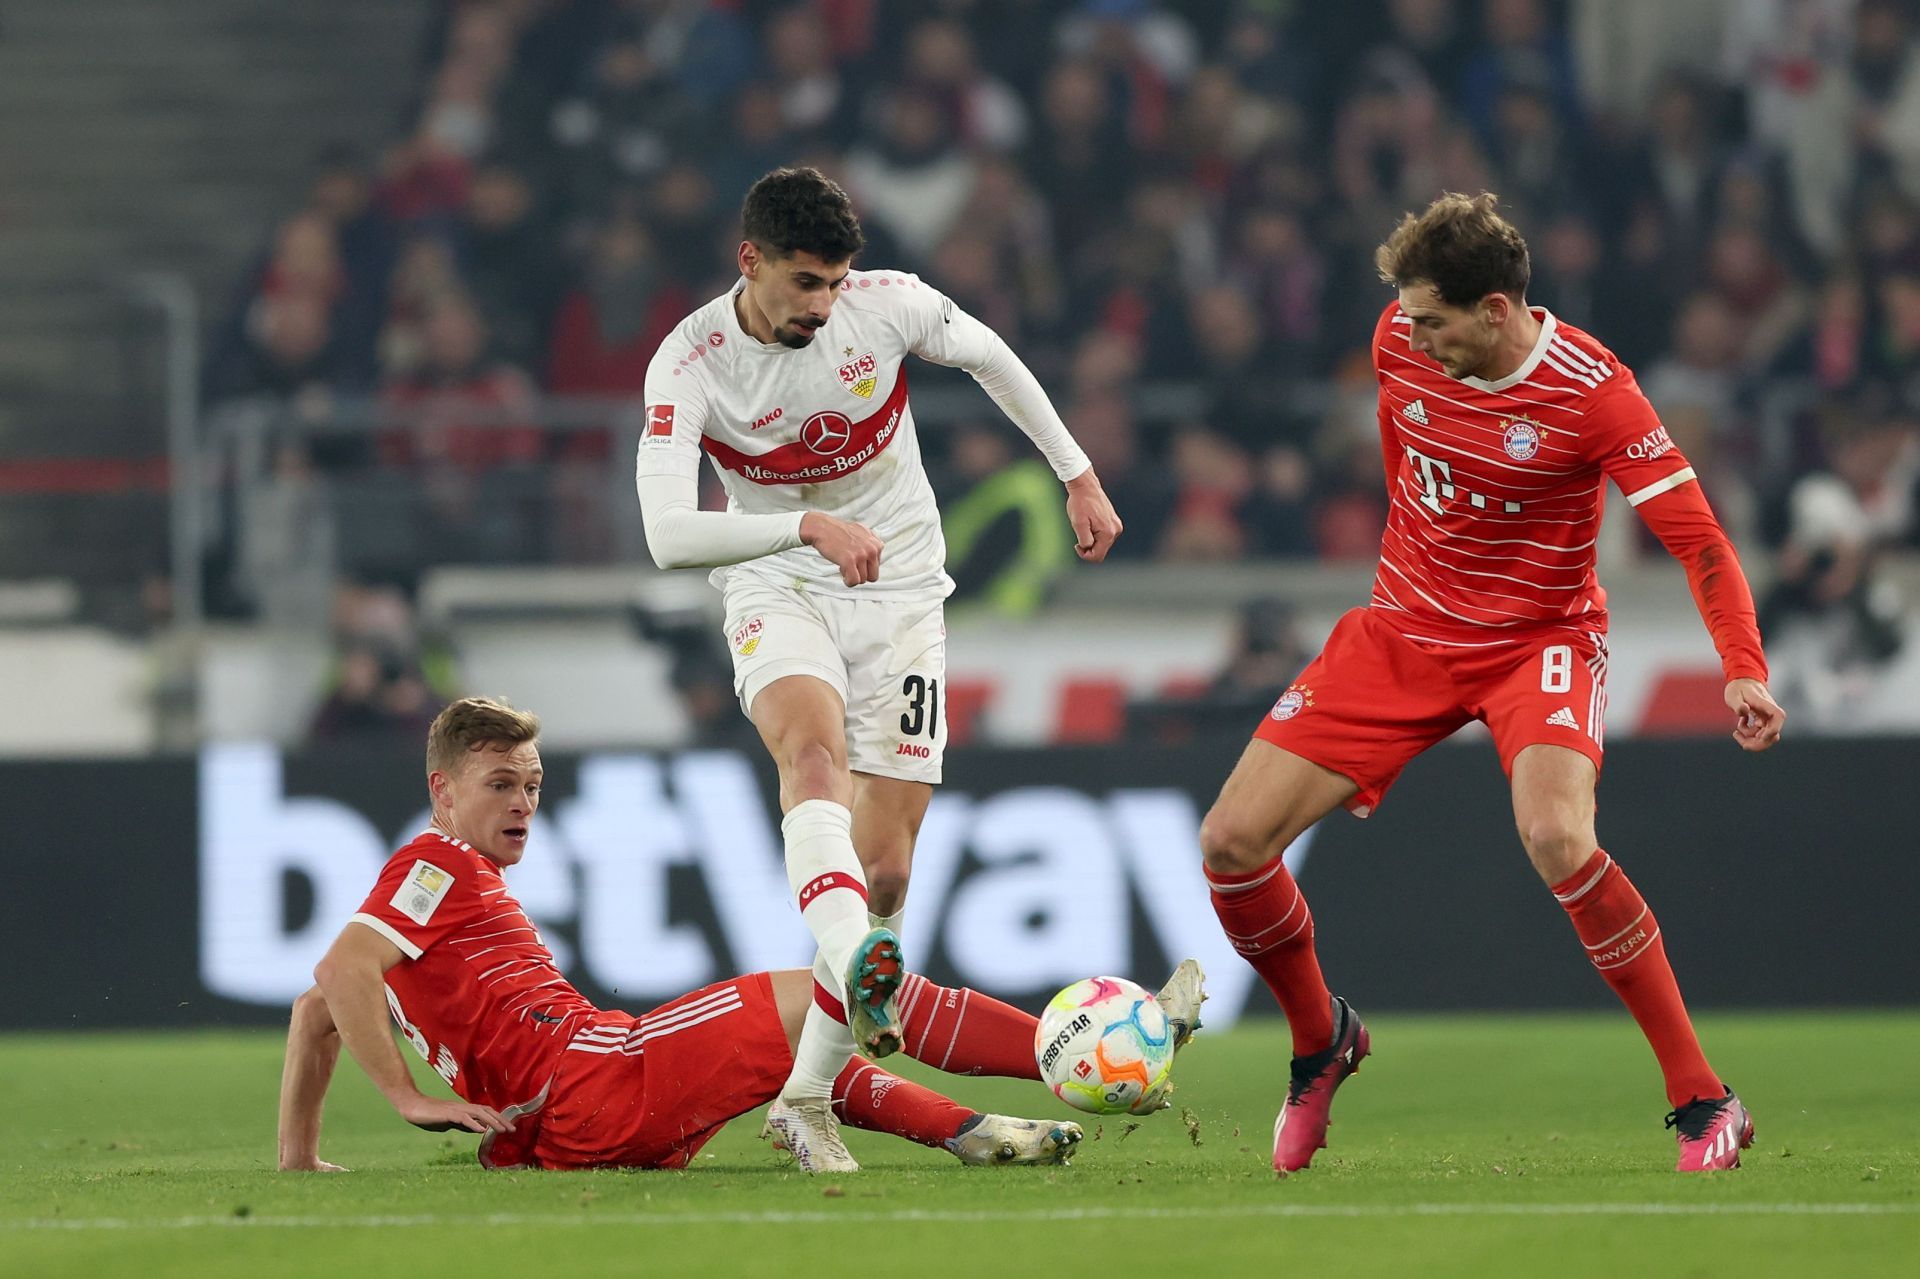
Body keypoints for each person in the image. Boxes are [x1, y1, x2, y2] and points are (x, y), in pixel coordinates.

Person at [1196, 193, 1786, 1177]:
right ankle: (1320, 1041)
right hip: (1403, 629)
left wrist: (1743, 669)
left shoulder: (1597, 393)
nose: (1409, 338)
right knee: (1230, 842)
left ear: (1498, 311)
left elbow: (1700, 541)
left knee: (1558, 833)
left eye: (1434, 321)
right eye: (1409, 318)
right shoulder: (1398, 338)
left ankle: (1704, 1100)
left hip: (1537, 641)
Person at [634, 167, 1124, 1171]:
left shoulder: (884, 308)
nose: (823, 304)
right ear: (751, 261)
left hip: (901, 590)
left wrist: (1075, 472)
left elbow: (992, 357)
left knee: (888, 867)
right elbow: (665, 535)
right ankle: (863, 964)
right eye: (805, 283)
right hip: (779, 580)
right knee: (811, 760)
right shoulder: (690, 361)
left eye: (834, 282)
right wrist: (800, 524)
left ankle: (805, 1097)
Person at [277, 696, 1203, 1174]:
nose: (523, 801)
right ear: (444, 792)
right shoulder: (434, 864)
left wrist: (298, 1157)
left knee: (813, 1046)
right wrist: (406, 1098)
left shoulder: (437, 897)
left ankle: (969, 1130)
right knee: (835, 979)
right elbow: (339, 968)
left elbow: (317, 1010)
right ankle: (1070, 1047)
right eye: (499, 784)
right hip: (595, 1076)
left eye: (532, 782)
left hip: (566, 1121)